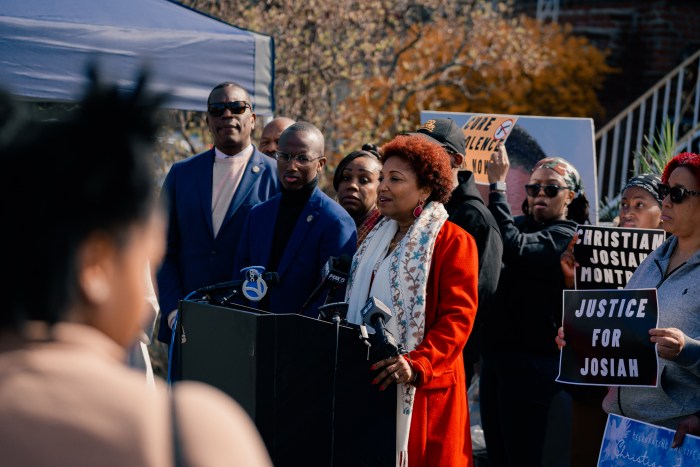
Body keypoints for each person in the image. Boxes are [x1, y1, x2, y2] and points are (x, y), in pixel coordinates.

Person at [0, 77, 271, 466]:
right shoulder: (189, 434)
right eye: (147, 248)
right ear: (96, 265)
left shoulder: (273, 176)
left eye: (237, 108)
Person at [345, 134, 479, 466]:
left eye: (395, 179)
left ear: (425, 189)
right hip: (368, 381)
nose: (382, 188)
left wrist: (416, 363)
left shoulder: (454, 242)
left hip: (422, 387)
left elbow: (457, 319)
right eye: (382, 178)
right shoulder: (374, 236)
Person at [557, 152, 700, 447]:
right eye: (665, 191)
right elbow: (625, 334)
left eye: (678, 193)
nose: (667, 201)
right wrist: (581, 336)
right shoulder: (652, 260)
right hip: (621, 429)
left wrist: (687, 349)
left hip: (675, 437)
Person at [480, 150, 590, 467]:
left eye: (551, 189)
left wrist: (497, 187)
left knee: (522, 456)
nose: (540, 194)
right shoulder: (517, 224)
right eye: (534, 188)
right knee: (497, 455)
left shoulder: (568, 233)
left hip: (532, 365)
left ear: (570, 196)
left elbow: (516, 249)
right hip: (497, 359)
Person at [156, 81, 280, 345]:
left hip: (250, 329)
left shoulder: (276, 176)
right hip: (188, 326)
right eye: (217, 109)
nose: (227, 115)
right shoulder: (182, 174)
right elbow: (160, 249)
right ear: (208, 120)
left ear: (253, 119)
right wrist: (173, 312)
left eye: (237, 107)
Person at [413, 117, 503, 387]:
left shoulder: (476, 218)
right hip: (410, 354)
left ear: (457, 161)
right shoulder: (415, 209)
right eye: (417, 149)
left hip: (446, 361)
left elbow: (477, 299)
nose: (420, 158)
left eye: (430, 151)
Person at [234, 122, 357, 316]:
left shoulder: (336, 221)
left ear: (320, 164)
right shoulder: (258, 215)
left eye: (302, 158)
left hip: (302, 338)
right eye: (284, 156)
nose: (292, 166)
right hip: (252, 334)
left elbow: (331, 298)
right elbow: (240, 280)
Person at [333, 143, 383, 246]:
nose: (352, 185)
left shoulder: (388, 232)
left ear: (381, 187)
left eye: (364, 180)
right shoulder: (327, 225)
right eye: (346, 178)